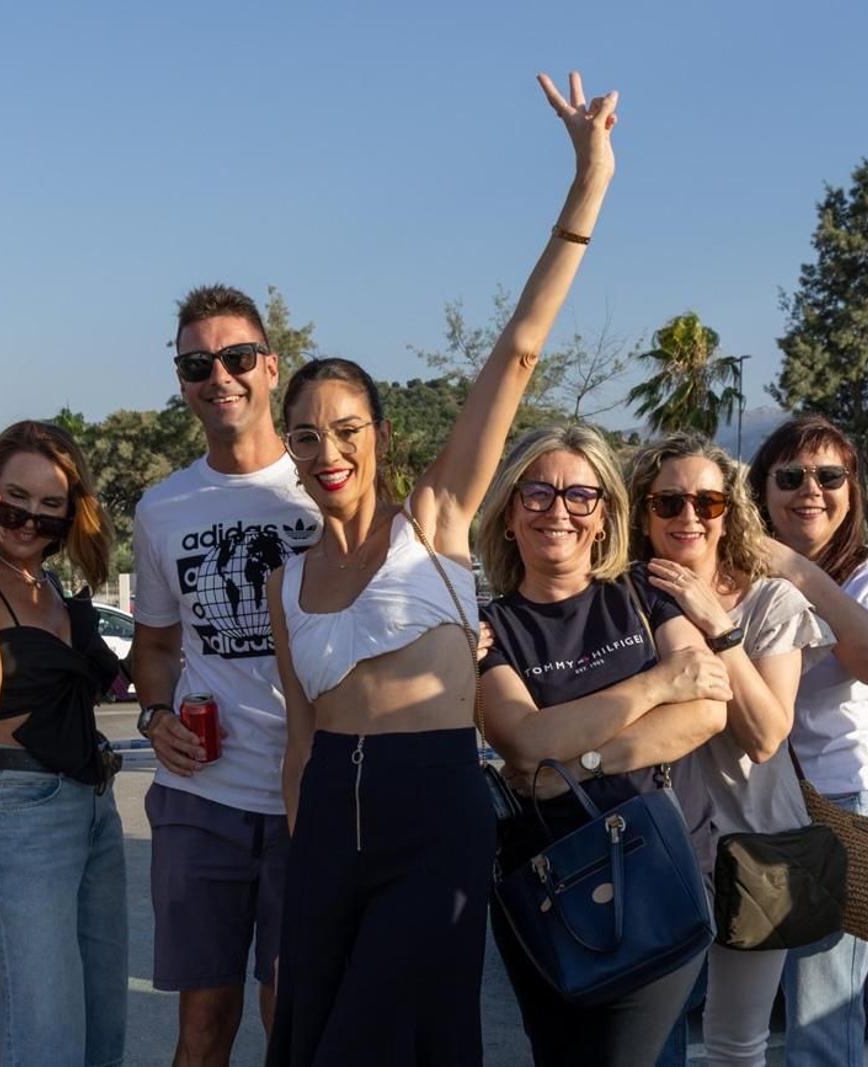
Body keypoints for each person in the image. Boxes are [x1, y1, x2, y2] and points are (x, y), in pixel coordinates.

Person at [263, 72, 621, 1065]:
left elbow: (515, 354)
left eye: (342, 429)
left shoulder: (437, 517)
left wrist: (585, 185)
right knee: (316, 1030)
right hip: (331, 814)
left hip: (434, 805)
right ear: (288, 450)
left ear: (376, 433)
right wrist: (302, 867)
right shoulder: (283, 582)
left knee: (380, 1040)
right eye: (303, 436)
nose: (325, 451)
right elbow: (298, 745)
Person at [476, 423, 731, 1067]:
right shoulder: (487, 630)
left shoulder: (643, 593)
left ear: (604, 516)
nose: (557, 510)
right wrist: (657, 683)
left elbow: (707, 707)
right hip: (544, 889)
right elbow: (529, 741)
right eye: (536, 493)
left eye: (579, 496)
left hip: (661, 871)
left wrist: (583, 764)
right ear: (510, 512)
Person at [130, 280, 321, 1065]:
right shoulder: (161, 509)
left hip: (308, 795)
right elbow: (154, 647)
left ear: (272, 367)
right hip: (201, 798)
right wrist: (152, 716)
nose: (220, 378)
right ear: (182, 383)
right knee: (202, 1027)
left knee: (295, 1021)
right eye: (197, 365)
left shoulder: (324, 490)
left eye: (237, 357)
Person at [0, 420, 127, 1067]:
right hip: (21, 810)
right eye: (15, 500)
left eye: (49, 507)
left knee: (100, 1034)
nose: (29, 520)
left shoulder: (52, 586)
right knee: (39, 1041)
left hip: (94, 805)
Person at [626, 433, 832, 1067]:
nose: (689, 517)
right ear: (641, 512)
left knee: (737, 1047)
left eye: (707, 502)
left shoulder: (774, 601)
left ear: (729, 510)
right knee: (642, 1043)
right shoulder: (618, 600)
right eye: (669, 503)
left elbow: (766, 734)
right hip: (651, 850)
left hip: (756, 851)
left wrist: (715, 621)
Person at [748, 416, 868, 1066]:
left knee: (820, 1020)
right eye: (790, 476)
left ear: (853, 489)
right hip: (734, 802)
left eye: (829, 476)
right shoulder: (732, 571)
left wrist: (795, 570)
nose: (810, 491)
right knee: (719, 1013)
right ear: (762, 489)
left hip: (830, 808)